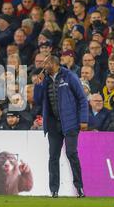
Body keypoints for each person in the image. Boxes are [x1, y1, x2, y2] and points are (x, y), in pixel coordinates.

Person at [34, 55, 88, 198]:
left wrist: (83, 120)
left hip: (70, 122)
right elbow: (37, 100)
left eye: (47, 63)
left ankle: (79, 187)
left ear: (55, 64)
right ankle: (54, 190)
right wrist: (38, 85)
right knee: (53, 157)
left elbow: (82, 98)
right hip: (53, 124)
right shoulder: (44, 79)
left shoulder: (69, 76)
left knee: (71, 153)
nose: (44, 66)